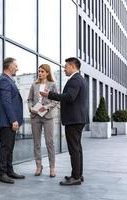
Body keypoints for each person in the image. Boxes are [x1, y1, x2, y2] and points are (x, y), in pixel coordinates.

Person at [40, 57, 89, 186]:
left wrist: (49, 94)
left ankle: (76, 177)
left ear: (73, 66)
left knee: (74, 149)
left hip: (74, 120)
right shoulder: (80, 79)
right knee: (77, 148)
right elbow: (74, 99)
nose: (64, 69)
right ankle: (77, 174)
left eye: (66, 66)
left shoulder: (74, 80)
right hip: (78, 118)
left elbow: (69, 97)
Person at [0, 57, 25, 184]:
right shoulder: (4, 81)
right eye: (16, 66)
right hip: (7, 121)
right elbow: (7, 103)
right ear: (9, 66)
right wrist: (13, 120)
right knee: (6, 147)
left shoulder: (8, 80)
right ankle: (2, 173)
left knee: (10, 147)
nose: (17, 68)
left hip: (10, 121)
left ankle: (9, 170)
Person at [27, 64, 59, 177]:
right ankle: (38, 166)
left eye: (42, 71)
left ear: (47, 73)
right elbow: (29, 99)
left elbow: (56, 101)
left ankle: (52, 167)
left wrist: (46, 107)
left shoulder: (53, 84)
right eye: (39, 71)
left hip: (48, 116)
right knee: (36, 143)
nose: (40, 73)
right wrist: (30, 108)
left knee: (50, 142)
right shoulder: (34, 85)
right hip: (36, 116)